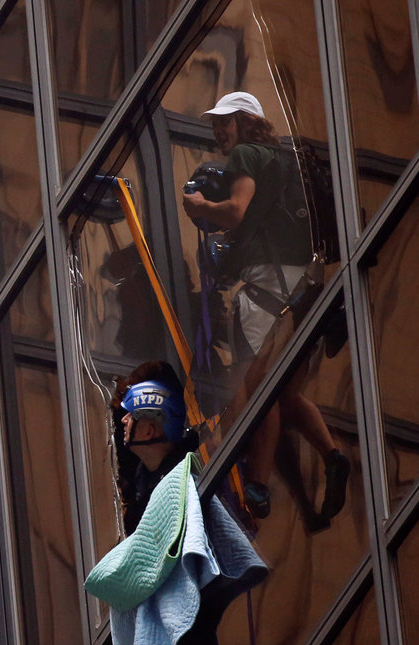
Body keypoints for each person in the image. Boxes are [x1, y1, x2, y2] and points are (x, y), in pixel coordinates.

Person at [181, 92, 349, 520]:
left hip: (268, 295)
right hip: (308, 290)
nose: (220, 132)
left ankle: (257, 485)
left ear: (246, 122)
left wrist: (201, 206)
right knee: (287, 392)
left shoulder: (246, 155)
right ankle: (332, 457)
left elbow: (236, 212)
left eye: (226, 122)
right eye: (216, 125)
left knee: (260, 392)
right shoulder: (285, 162)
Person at [115, 363, 198, 535]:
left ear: (149, 431)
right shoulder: (143, 474)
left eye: (131, 414)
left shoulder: (178, 488)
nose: (123, 420)